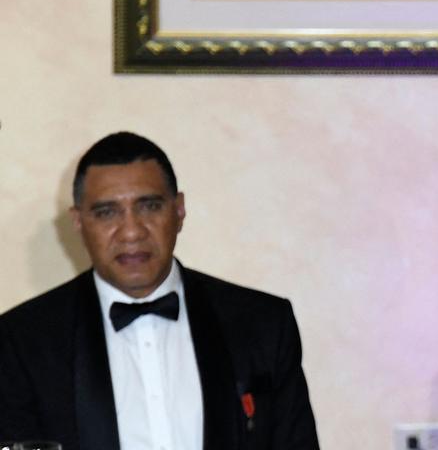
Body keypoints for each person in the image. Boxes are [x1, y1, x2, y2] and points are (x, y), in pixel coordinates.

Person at [0, 132, 320, 449]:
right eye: (107, 212)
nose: (131, 232)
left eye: (149, 206)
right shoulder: (21, 341)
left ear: (179, 211)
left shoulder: (262, 323)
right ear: (79, 222)